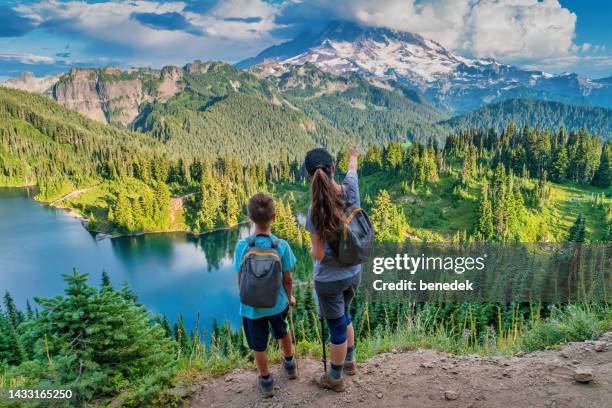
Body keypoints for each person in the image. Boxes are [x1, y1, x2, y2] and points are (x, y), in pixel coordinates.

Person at [305, 146, 361, 392]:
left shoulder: (314, 210)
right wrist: (353, 157)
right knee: (345, 315)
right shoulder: (351, 190)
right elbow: (352, 171)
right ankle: (350, 361)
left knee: (337, 327)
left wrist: (310, 250)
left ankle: (335, 378)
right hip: (354, 272)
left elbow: (318, 254)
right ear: (333, 169)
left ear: (309, 176)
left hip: (329, 281)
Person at [234, 193, 298, 397]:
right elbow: (287, 279)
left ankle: (266, 380)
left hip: (251, 308)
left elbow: (240, 278)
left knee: (258, 345)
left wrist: (245, 296)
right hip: (277, 303)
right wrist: (289, 298)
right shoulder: (281, 246)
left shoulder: (242, 246)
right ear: (275, 216)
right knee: (283, 331)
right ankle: (289, 364)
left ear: (250, 217)